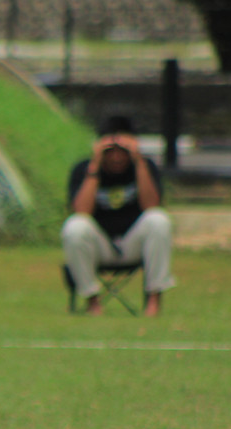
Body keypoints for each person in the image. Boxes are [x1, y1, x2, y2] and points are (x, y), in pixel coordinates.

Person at [62, 115, 175, 316]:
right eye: (110, 151)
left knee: (159, 220)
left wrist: (139, 162)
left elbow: (151, 205)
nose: (116, 157)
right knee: (75, 226)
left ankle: (153, 302)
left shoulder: (145, 167)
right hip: (100, 245)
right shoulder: (84, 169)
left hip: (133, 244)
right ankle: (92, 301)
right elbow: (81, 211)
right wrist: (95, 166)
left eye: (122, 151)